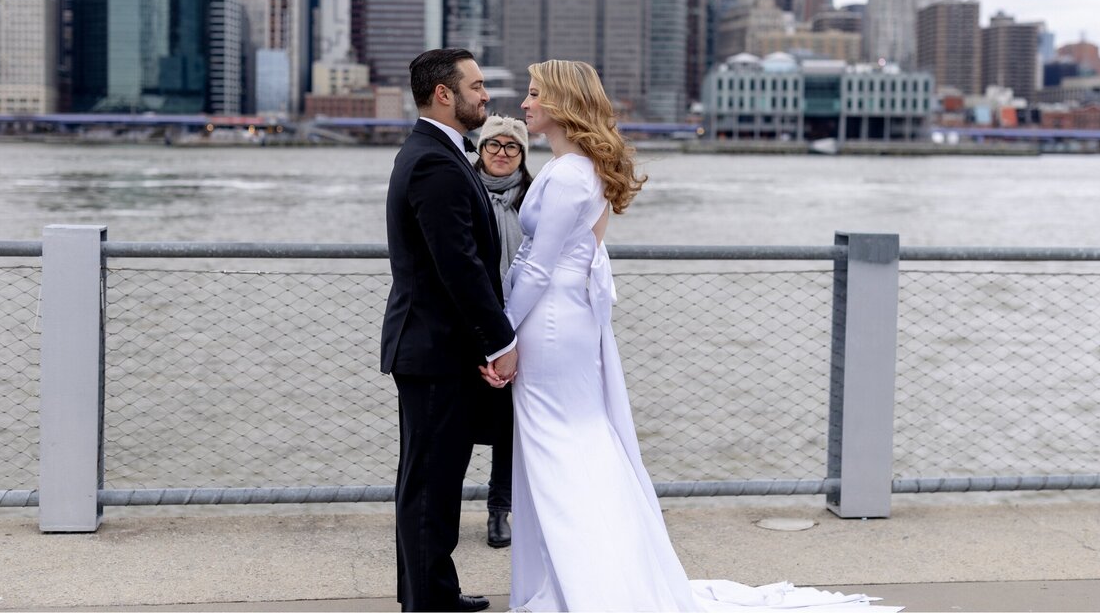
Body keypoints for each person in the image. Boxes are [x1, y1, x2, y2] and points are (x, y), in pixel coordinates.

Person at [481, 60, 888, 612]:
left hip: (550, 324)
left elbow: (536, 268)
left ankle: (587, 587)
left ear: (561, 104)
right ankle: (580, 578)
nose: (524, 105)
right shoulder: (581, 171)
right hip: (568, 322)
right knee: (576, 444)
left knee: (559, 453)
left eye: (533, 95)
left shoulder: (566, 175)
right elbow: (576, 258)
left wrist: (500, 336)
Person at [381, 48, 516, 613]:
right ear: (445, 93)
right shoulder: (436, 162)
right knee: (429, 487)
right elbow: (456, 263)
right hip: (435, 351)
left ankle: (433, 593)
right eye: (478, 85)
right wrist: (502, 342)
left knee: (433, 484)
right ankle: (428, 604)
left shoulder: (435, 153)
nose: (486, 95)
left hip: (436, 348)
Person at [472, 115, 533, 549]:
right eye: (494, 144)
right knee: (458, 421)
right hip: (474, 320)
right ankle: (440, 512)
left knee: (510, 425)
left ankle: (499, 510)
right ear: (480, 148)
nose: (501, 154)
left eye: (512, 147)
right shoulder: (464, 189)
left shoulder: (533, 199)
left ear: (523, 156)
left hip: (520, 322)